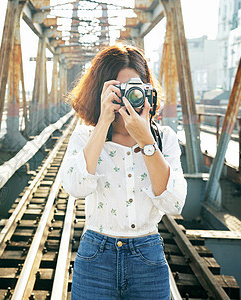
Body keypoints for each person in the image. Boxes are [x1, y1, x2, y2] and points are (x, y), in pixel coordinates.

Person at [60, 43, 187, 299]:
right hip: (96, 254)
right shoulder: (86, 136)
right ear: (101, 91)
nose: (128, 96)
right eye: (118, 89)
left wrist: (146, 142)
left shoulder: (164, 139)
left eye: (135, 88)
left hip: (147, 255)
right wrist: (104, 121)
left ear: (147, 90)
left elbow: (174, 203)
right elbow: (75, 187)